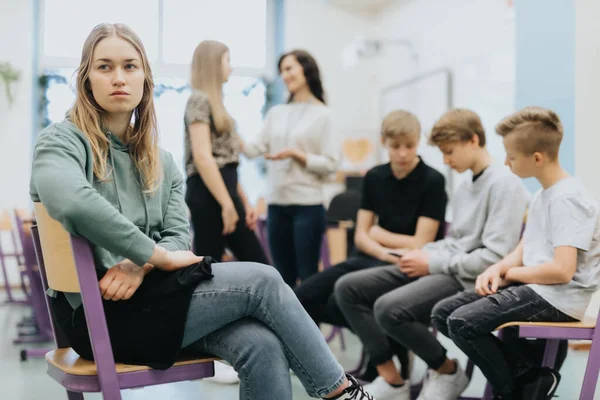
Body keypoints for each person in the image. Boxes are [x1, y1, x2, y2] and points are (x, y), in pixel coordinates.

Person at [29, 23, 374, 400]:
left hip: (152, 301)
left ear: (145, 77)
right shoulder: (60, 140)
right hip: (97, 317)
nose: (118, 78)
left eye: (130, 66)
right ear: (86, 78)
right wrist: (153, 254)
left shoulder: (162, 162)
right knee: (263, 280)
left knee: (261, 344)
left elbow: (179, 237)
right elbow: (71, 200)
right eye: (104, 67)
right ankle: (341, 393)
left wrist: (139, 264)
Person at [335, 109, 529, 400]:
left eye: (450, 152)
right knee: (348, 287)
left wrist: (432, 261)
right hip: (445, 265)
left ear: (473, 140)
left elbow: (492, 259)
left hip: (467, 276)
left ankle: (447, 371)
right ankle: (392, 380)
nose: (446, 161)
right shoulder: (465, 186)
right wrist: (421, 252)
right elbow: (455, 241)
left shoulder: (504, 184)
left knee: (389, 309)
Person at [431, 106, 600, 400]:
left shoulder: (567, 199)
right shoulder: (541, 195)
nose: (506, 163)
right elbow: (526, 247)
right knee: (443, 313)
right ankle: (529, 378)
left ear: (536, 158)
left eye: (511, 156)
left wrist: (510, 274)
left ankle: (513, 391)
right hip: (536, 288)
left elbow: (562, 270)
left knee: (461, 323)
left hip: (559, 297)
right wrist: (496, 269)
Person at [294, 110, 447, 376]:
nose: (402, 153)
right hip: (371, 257)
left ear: (418, 142)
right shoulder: (375, 177)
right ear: (383, 142)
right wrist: (382, 248)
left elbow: (421, 243)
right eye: (395, 146)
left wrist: (379, 234)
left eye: (409, 146)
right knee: (303, 295)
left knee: (348, 298)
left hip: (408, 265)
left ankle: (382, 363)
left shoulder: (433, 180)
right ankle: (386, 348)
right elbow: (362, 237)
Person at [241, 50, 338, 287]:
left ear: (306, 69)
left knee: (308, 278)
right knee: (281, 278)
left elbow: (332, 164)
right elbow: (253, 150)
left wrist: (299, 156)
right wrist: (228, 129)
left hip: (308, 206)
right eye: (282, 70)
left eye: (290, 68)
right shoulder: (276, 113)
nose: (285, 75)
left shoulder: (324, 115)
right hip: (277, 205)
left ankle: (307, 325)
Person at [184, 40, 268, 264]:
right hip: (208, 193)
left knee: (256, 265)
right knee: (209, 267)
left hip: (223, 191)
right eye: (227, 60)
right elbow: (203, 158)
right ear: (213, 64)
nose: (230, 67)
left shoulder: (217, 105)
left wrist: (244, 203)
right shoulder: (198, 101)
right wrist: (228, 204)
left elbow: (228, 164)